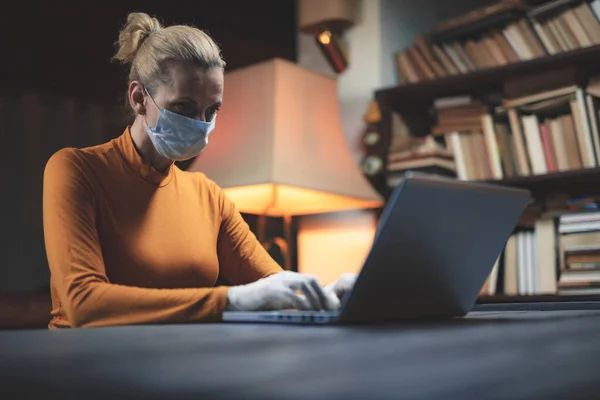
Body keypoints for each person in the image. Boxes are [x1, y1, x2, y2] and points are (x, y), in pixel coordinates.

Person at [42, 12, 357, 329]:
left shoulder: (207, 195)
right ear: (139, 98)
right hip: (85, 367)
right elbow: (84, 303)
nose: (200, 124)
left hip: (179, 363)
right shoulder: (77, 169)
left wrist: (330, 295)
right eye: (184, 107)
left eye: (212, 110)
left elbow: (274, 286)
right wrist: (230, 300)